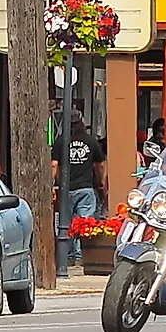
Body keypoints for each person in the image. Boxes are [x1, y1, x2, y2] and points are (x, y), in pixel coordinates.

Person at [57, 117, 106, 273]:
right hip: (86, 187)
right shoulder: (91, 141)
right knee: (84, 222)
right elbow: (99, 165)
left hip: (67, 189)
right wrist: (100, 182)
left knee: (66, 223)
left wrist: (56, 183)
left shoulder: (60, 142)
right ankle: (80, 255)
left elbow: (54, 165)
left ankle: (68, 256)